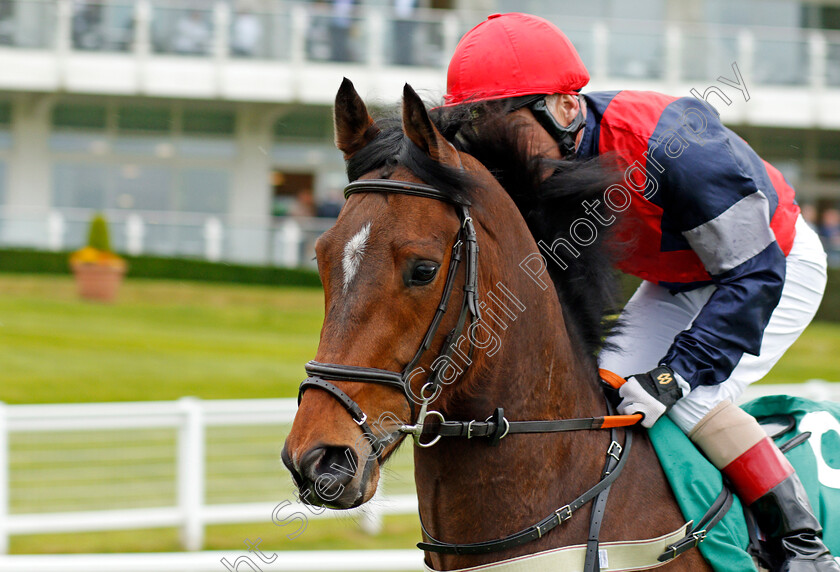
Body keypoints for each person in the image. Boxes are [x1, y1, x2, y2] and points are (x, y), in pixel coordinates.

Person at [439, 13, 835, 572]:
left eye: (500, 129)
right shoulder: (550, 147)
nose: (491, 151)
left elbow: (754, 273)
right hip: (677, 280)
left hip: (774, 266)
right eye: (474, 130)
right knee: (602, 392)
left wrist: (675, 375)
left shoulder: (676, 145)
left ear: (564, 107)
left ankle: (800, 544)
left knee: (687, 397)